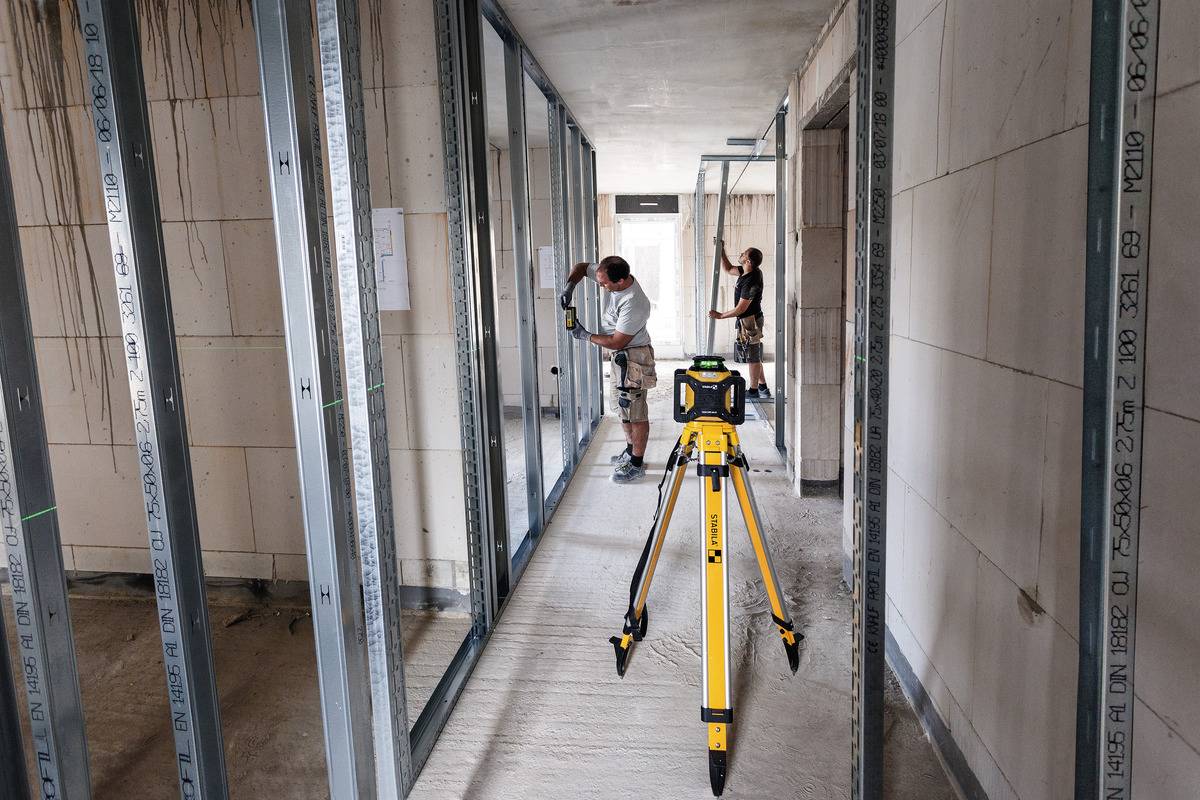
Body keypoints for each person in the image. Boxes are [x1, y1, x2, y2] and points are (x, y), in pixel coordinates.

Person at [562, 255, 656, 483]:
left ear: (621, 281)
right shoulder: (609, 273)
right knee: (623, 407)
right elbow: (582, 268)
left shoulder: (635, 302)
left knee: (635, 411)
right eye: (600, 280)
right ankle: (629, 450)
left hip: (633, 356)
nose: (601, 285)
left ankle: (636, 463)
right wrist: (569, 287)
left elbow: (617, 341)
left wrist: (585, 335)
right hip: (620, 357)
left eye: (604, 284)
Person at [709, 244, 770, 399]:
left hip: (751, 321)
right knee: (754, 355)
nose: (741, 254)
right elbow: (728, 269)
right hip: (746, 320)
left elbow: (740, 309)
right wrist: (721, 252)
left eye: (744, 254)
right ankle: (763, 386)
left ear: (748, 261)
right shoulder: (746, 271)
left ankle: (754, 390)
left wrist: (720, 315)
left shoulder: (751, 281)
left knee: (753, 357)